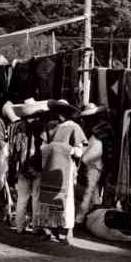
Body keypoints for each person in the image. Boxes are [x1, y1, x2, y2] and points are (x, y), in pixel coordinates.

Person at [36, 99, 87, 244]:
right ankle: (49, 228)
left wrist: (63, 149)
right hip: (49, 169)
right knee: (48, 198)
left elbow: (79, 151)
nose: (58, 114)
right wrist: (54, 148)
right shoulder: (50, 126)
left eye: (61, 111)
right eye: (57, 110)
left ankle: (65, 229)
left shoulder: (74, 128)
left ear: (67, 112)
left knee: (66, 198)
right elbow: (42, 147)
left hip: (64, 169)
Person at [2, 98, 50, 234]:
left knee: (22, 198)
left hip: (21, 166)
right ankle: (35, 227)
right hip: (37, 166)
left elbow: (12, 149)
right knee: (36, 197)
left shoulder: (17, 126)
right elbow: (46, 146)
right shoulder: (42, 126)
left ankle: (19, 227)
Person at [75, 103, 115, 224]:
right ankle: (88, 216)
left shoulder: (97, 130)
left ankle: (80, 218)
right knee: (91, 190)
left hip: (94, 163)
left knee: (89, 190)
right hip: (97, 164)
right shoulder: (101, 129)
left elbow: (97, 150)